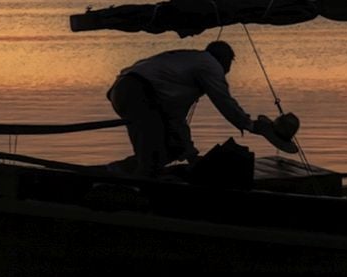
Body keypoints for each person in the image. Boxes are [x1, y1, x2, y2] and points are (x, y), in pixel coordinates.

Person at [107, 40, 259, 176]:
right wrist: (248, 124)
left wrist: (190, 153)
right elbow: (224, 100)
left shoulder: (187, 70)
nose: (226, 72)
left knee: (173, 148)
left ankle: (118, 170)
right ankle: (138, 190)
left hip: (123, 90)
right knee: (152, 156)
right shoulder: (210, 64)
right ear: (225, 60)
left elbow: (176, 119)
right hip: (137, 91)